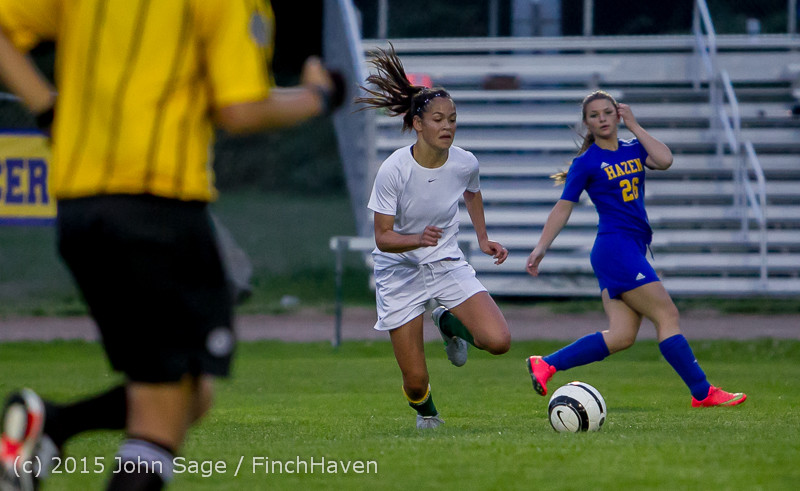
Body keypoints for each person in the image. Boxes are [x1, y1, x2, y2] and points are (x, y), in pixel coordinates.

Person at [0, 0, 343, 489]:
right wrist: (317, 97)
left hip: (79, 210)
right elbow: (239, 109)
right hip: (156, 209)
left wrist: (50, 110)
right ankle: (52, 426)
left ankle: (52, 424)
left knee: (188, 392)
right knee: (163, 419)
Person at [524, 90, 746, 408]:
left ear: (618, 114)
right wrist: (541, 248)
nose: (601, 118)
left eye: (607, 112)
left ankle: (545, 364)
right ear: (587, 123)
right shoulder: (586, 162)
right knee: (667, 314)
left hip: (629, 249)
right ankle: (703, 392)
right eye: (594, 115)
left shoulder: (634, 149)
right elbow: (563, 207)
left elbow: (666, 160)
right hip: (615, 249)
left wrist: (635, 125)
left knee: (622, 336)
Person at [356, 45, 511, 430]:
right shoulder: (394, 169)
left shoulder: (464, 161)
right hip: (399, 271)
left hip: (444, 261)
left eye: (453, 119)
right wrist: (417, 239)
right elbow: (383, 239)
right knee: (414, 381)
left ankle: (447, 324)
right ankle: (429, 417)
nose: (447, 126)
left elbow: (471, 191)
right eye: (438, 119)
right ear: (418, 124)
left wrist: (484, 237)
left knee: (498, 340)